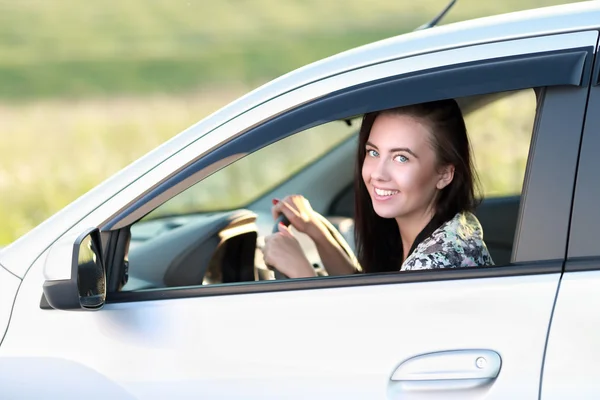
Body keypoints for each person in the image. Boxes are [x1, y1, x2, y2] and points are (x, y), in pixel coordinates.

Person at [262, 99, 494, 278]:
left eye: (401, 158)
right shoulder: (452, 229)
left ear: (444, 174)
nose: (377, 174)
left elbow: (372, 337)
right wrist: (315, 229)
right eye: (373, 152)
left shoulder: (433, 265)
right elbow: (366, 295)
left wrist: (300, 271)